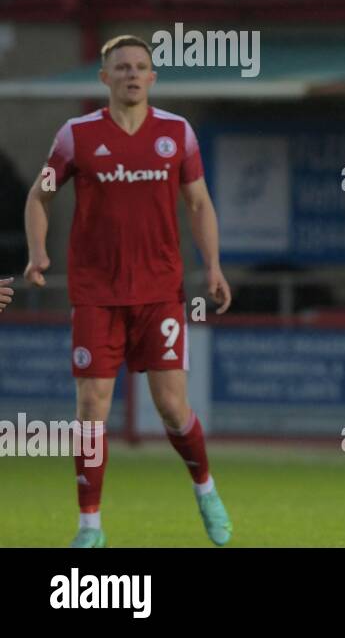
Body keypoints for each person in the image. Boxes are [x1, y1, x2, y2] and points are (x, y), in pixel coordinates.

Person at [24, 35, 234, 548]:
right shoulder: (76, 136)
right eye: (122, 67)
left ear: (153, 77)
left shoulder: (177, 134)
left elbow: (199, 203)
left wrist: (214, 266)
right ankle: (90, 527)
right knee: (91, 408)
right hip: (96, 293)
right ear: (105, 78)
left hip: (160, 292)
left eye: (141, 67)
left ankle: (205, 489)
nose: (132, 74)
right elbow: (39, 196)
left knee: (171, 408)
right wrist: (37, 252)